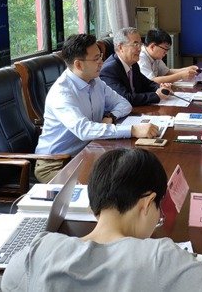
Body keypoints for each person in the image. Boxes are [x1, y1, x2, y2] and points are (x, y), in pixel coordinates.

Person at [1, 148, 202, 291]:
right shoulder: (162, 258)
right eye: (159, 210)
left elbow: (9, 283)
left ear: (94, 204)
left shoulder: (39, 252)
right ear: (147, 203)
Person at [34, 34, 159, 183]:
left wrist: (111, 116)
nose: (102, 62)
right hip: (56, 163)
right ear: (78, 65)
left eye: (100, 56)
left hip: (89, 150)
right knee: (108, 187)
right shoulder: (62, 93)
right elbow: (84, 130)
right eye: (96, 59)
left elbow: (124, 104)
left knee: (133, 172)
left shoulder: (95, 81)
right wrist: (132, 130)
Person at [100, 28, 172, 106]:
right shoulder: (109, 70)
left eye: (140, 44)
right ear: (121, 47)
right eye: (135, 44)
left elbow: (147, 83)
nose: (139, 49)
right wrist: (157, 95)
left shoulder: (133, 64)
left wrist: (161, 87)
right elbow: (125, 98)